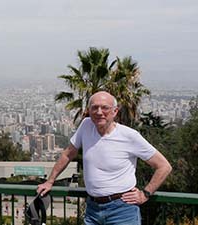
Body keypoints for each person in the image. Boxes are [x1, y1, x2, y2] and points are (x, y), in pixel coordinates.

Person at [37, 91, 172, 225]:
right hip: (92, 209)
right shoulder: (86, 125)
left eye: (105, 108)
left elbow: (164, 166)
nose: (99, 112)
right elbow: (68, 153)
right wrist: (50, 181)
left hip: (122, 209)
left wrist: (145, 194)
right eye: (94, 107)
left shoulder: (129, 136)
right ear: (89, 110)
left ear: (115, 111)